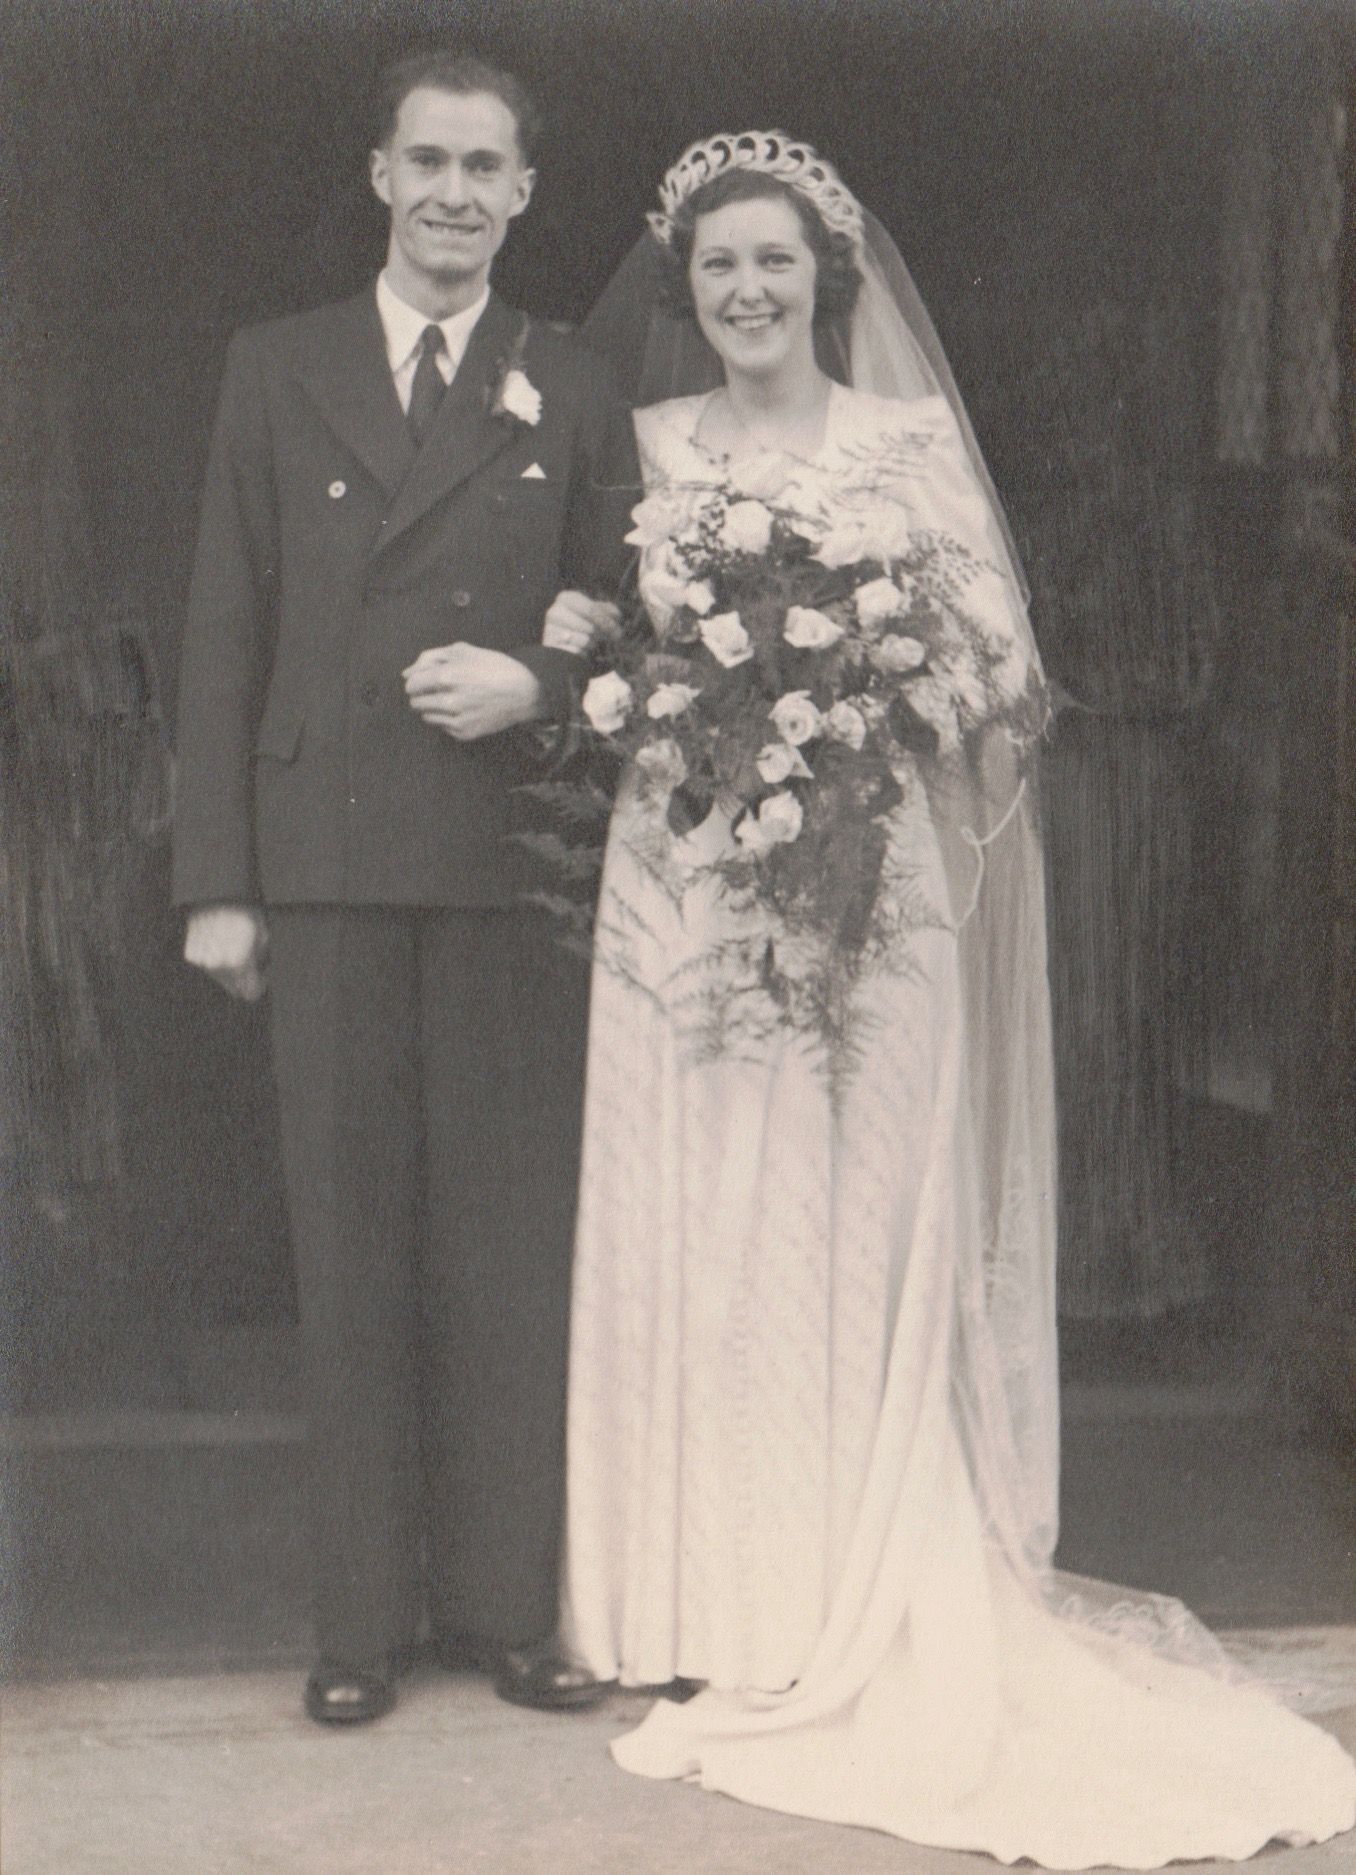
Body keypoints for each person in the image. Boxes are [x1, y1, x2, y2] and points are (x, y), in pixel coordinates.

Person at [544, 133, 1356, 1864]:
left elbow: (998, 687)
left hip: (869, 884)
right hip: (688, 876)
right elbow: (618, 660)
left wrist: (849, 697)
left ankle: (845, 1582)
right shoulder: (655, 447)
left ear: (824, 284)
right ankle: (710, 1597)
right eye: (717, 272)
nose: (746, 293)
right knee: (708, 1217)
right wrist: (702, 711)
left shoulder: (905, 449)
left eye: (773, 265)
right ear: (686, 294)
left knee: (849, 1215)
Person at [171, 51, 632, 1726]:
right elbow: (228, 624)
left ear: (525, 193)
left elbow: (639, 621)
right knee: (352, 1244)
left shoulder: (571, 383)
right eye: (425, 161)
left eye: (484, 167)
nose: (452, 192)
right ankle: (361, 1625)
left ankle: (507, 1607)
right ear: (379, 175)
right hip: (334, 865)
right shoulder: (274, 366)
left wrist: (542, 688)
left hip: (509, 866)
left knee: (504, 1244)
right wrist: (218, 880)